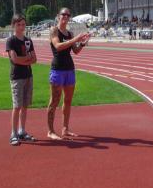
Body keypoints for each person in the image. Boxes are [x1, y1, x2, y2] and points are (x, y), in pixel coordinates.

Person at [47, 8, 90, 140]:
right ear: (58, 16)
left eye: (68, 15)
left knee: (68, 100)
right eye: (63, 14)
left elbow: (75, 51)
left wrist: (82, 43)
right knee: (54, 101)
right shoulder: (54, 30)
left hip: (69, 69)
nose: (66, 16)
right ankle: (50, 131)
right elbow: (58, 46)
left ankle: (65, 129)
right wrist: (75, 39)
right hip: (58, 69)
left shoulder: (69, 33)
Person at [6, 14, 37, 145]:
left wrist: (24, 60)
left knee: (25, 106)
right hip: (17, 77)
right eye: (18, 24)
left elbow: (34, 59)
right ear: (14, 25)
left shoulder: (28, 40)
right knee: (17, 106)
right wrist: (27, 59)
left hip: (28, 76)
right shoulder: (11, 41)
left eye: (23, 24)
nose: (21, 27)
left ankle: (22, 131)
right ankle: (13, 133)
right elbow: (14, 59)